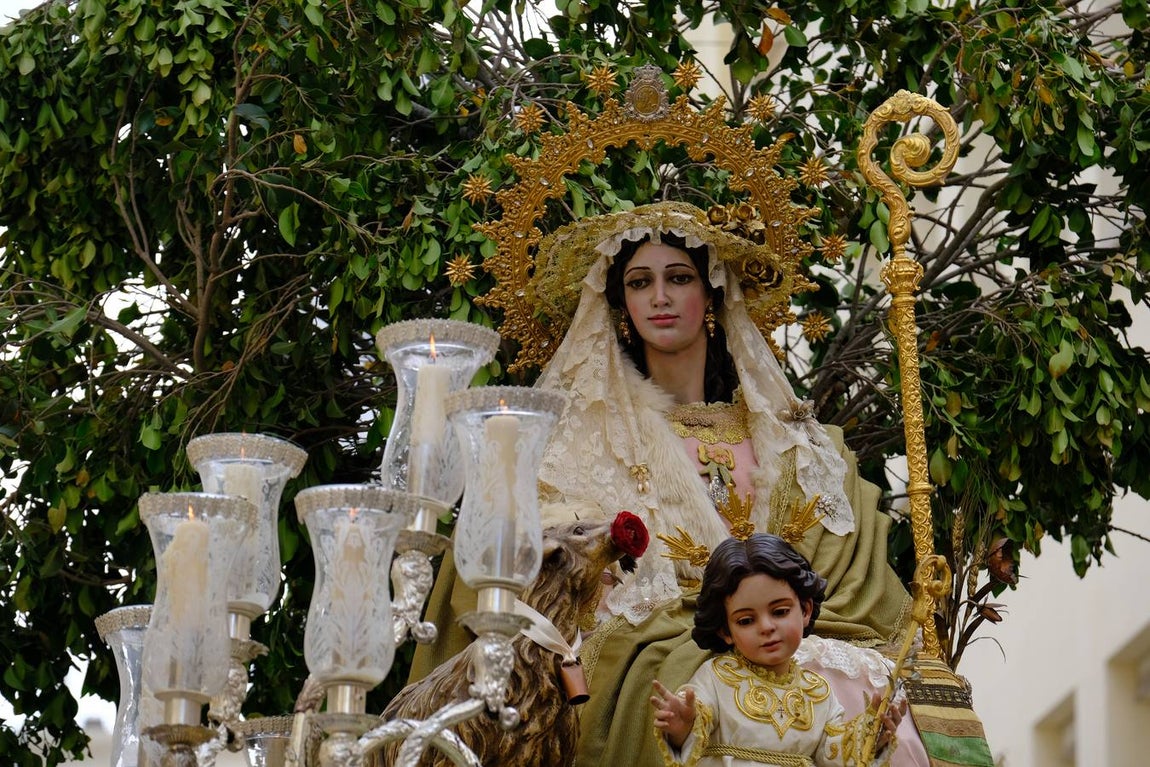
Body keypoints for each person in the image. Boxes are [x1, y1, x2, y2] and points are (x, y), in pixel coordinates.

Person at [408, 201, 929, 766]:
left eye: (678, 278)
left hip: (794, 636)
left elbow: (843, 574)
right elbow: (551, 567)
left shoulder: (795, 444)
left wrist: (776, 617)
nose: (659, 297)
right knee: (696, 692)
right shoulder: (578, 442)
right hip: (655, 642)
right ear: (620, 305)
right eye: (639, 282)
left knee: (859, 688)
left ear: (711, 294)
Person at [650, 534, 900, 767]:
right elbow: (696, 718)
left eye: (780, 612)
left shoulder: (818, 692)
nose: (767, 627)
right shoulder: (715, 678)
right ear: (725, 631)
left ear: (805, 610)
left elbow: (833, 754)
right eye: (746, 621)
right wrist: (684, 726)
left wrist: (870, 736)